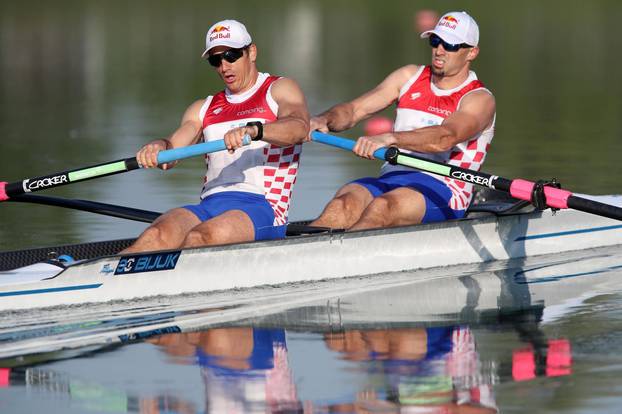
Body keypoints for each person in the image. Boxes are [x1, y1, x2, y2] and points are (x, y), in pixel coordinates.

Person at [122, 20, 309, 253]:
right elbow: (171, 151)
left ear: (251, 52)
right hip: (210, 206)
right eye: (215, 60)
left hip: (262, 208)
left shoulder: (279, 89)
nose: (224, 66)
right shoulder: (203, 108)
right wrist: (157, 147)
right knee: (155, 235)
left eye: (231, 55)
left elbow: (299, 128)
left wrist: (255, 130)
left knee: (200, 238)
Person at [310, 11, 496, 231]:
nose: (439, 50)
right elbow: (353, 110)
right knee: (341, 205)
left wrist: (390, 138)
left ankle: (344, 258)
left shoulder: (479, 99)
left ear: (472, 53)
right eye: (435, 41)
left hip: (445, 188)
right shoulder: (409, 77)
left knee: (383, 207)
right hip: (393, 177)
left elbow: (446, 137)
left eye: (451, 45)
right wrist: (324, 119)